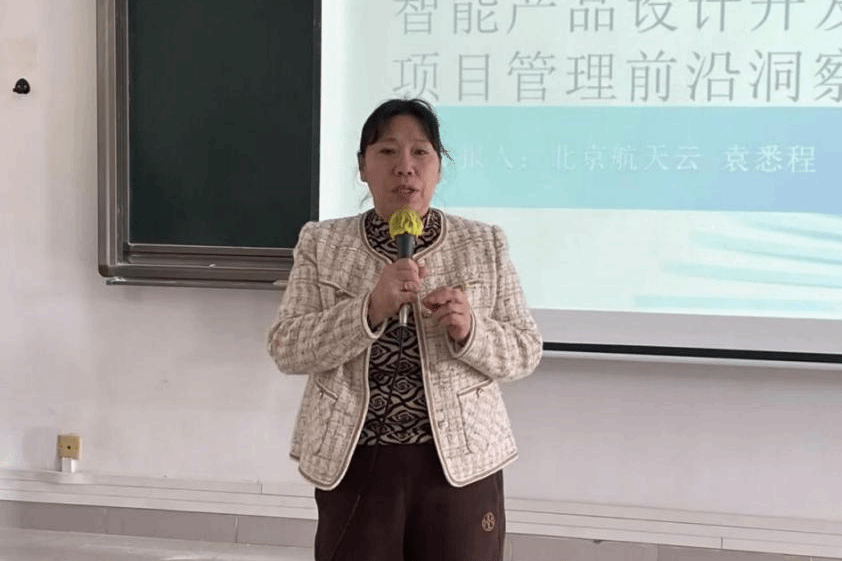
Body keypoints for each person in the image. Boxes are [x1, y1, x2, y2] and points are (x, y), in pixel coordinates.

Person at [267, 98, 542, 561]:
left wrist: (471, 330)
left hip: (460, 464)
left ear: (438, 167)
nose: (405, 167)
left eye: (420, 153)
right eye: (388, 152)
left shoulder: (483, 243)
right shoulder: (322, 242)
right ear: (362, 167)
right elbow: (287, 347)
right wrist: (369, 309)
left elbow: (525, 349)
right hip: (356, 460)